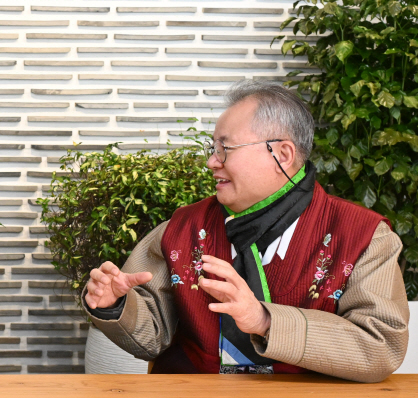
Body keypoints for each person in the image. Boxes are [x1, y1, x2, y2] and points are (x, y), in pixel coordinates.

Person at [84, 80, 410, 382]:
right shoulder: (182, 229)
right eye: (213, 148)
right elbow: (152, 335)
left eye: (226, 148)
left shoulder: (364, 237)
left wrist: (265, 321)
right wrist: (115, 304)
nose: (212, 162)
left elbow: (380, 346)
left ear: (281, 154)